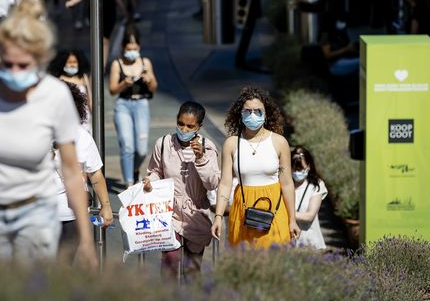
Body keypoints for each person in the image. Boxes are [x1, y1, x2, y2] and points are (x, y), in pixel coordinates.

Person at [0, 0, 96, 266]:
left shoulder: (55, 96)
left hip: (36, 217)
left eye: (23, 65)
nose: (14, 72)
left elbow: (71, 170)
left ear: (40, 60)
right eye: (7, 64)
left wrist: (87, 241)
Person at [210, 87, 300, 248]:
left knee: (273, 264)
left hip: (274, 209)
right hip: (242, 210)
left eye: (258, 111)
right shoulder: (231, 144)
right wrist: (218, 216)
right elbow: (225, 183)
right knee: (244, 265)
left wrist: (292, 219)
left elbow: (287, 184)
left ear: (266, 114)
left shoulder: (279, 142)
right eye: (248, 111)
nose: (253, 115)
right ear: (240, 114)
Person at [142, 101, 220, 281]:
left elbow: (212, 183)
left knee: (192, 270)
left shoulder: (208, 148)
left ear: (199, 126)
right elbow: (155, 171)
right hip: (170, 213)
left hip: (196, 215)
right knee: (169, 263)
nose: (184, 129)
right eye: (180, 123)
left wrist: (200, 158)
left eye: (190, 126)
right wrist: (150, 181)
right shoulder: (163, 144)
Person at [53, 81, 113, 250]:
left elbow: (95, 174)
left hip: (71, 215)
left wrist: (106, 206)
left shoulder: (83, 138)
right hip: (38, 214)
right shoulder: (37, 133)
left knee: (62, 269)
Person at [109, 25, 158, 187]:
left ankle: (134, 169)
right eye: (129, 48)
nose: (132, 51)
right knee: (127, 146)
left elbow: (154, 88)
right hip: (123, 105)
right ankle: (129, 183)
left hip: (142, 104)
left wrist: (148, 79)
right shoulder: (117, 64)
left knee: (142, 149)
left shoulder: (145, 62)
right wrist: (124, 83)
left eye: (135, 48)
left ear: (139, 47)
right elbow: (112, 90)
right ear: (123, 48)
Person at [65, 0, 127, 68]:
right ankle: (98, 63)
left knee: (105, 39)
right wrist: (71, 2)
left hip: (109, 11)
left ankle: (102, 65)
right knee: (97, 38)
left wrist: (123, 10)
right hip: (94, 12)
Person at [291, 146, 327, 250]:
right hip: (288, 241)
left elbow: (310, 216)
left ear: (309, 166)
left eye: (301, 168)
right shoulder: (285, 185)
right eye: (295, 168)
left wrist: (285, 214)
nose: (297, 172)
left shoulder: (316, 186)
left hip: (309, 242)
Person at [47, 49, 93, 130]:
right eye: (69, 62)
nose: (72, 65)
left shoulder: (84, 78)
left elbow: (89, 98)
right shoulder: (58, 79)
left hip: (84, 119)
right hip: (64, 117)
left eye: (74, 62)